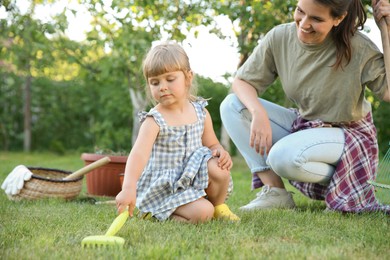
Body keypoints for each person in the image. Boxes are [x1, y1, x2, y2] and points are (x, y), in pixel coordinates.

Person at [220, 0, 390, 213]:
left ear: (338, 19)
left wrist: (387, 30)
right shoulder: (280, 37)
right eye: (300, 11)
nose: (304, 23)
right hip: (306, 126)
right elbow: (242, 82)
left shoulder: (359, 47)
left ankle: (349, 182)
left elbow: (388, 92)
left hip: (349, 136)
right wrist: (258, 112)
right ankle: (275, 192)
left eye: (316, 19)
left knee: (282, 157)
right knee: (232, 105)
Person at [116, 42, 240, 223]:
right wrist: (128, 187)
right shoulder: (154, 120)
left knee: (219, 168)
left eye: (170, 79)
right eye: (155, 82)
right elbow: (138, 155)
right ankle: (157, 213)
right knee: (203, 212)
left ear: (188, 77)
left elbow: (212, 144)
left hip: (192, 179)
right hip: (166, 188)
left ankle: (218, 207)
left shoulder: (200, 112)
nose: (163, 87)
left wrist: (220, 151)